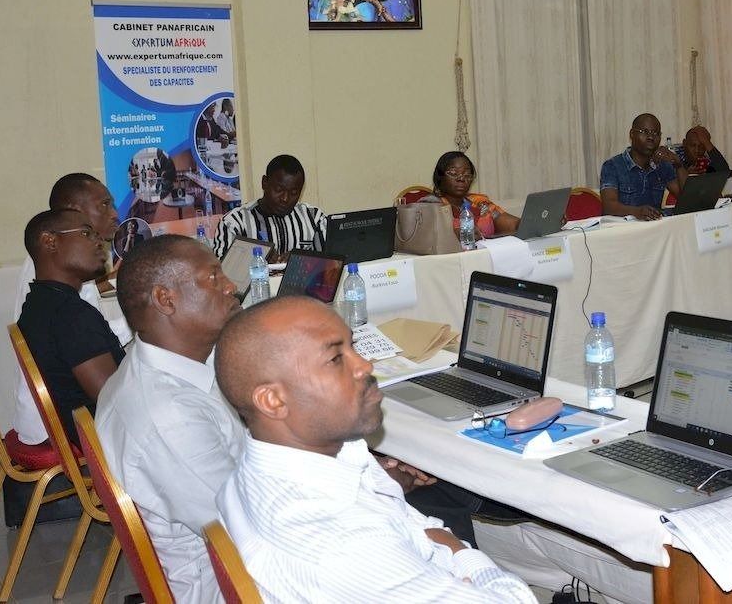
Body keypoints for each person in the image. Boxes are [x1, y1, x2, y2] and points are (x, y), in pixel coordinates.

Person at [213, 297, 536, 602]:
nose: (365, 366)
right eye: (335, 359)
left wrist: (442, 547)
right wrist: (462, 554)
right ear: (273, 400)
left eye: (353, 347)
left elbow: (415, 526)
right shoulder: (344, 545)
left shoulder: (268, 463)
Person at [97, 235, 245, 604]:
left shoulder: (165, 363)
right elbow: (250, 522)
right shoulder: (169, 419)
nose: (231, 286)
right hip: (228, 581)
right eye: (213, 277)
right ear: (166, 299)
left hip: (231, 550)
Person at [11, 173, 128, 448]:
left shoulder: (47, 292)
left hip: (70, 414)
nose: (114, 214)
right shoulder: (70, 313)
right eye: (86, 233)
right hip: (77, 429)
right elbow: (116, 402)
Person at [213, 154, 326, 261]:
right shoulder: (234, 222)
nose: (285, 198)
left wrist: (301, 259)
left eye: (293, 193)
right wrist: (255, 260)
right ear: (264, 183)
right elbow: (219, 270)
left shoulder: (314, 218)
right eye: (278, 190)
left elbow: (332, 263)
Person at [598, 113, 689, 220]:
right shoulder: (613, 166)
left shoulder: (662, 165)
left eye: (656, 133)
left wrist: (678, 165)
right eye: (645, 132)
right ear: (632, 134)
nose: (651, 137)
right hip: (624, 228)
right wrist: (636, 212)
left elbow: (688, 199)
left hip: (655, 227)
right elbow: (609, 207)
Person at [429, 151, 519, 238]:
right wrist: (456, 235)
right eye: (453, 173)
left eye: (467, 175)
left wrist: (522, 224)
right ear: (439, 177)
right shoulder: (431, 204)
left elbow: (514, 225)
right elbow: (427, 237)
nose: (461, 178)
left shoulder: (479, 202)